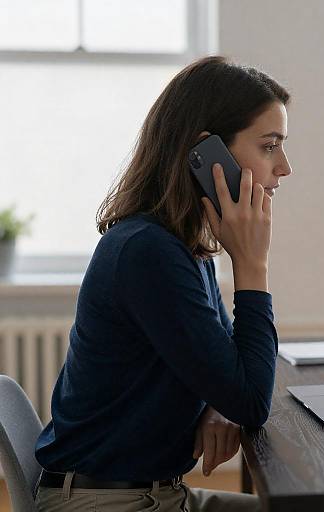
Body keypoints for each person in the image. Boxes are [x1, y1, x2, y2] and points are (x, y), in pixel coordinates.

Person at [34, 55, 292, 512]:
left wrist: (220, 400)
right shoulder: (147, 252)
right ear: (205, 154)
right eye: (269, 145)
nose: (284, 168)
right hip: (107, 501)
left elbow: (234, 378)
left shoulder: (182, 247)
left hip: (153, 492)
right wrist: (254, 266)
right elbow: (252, 399)